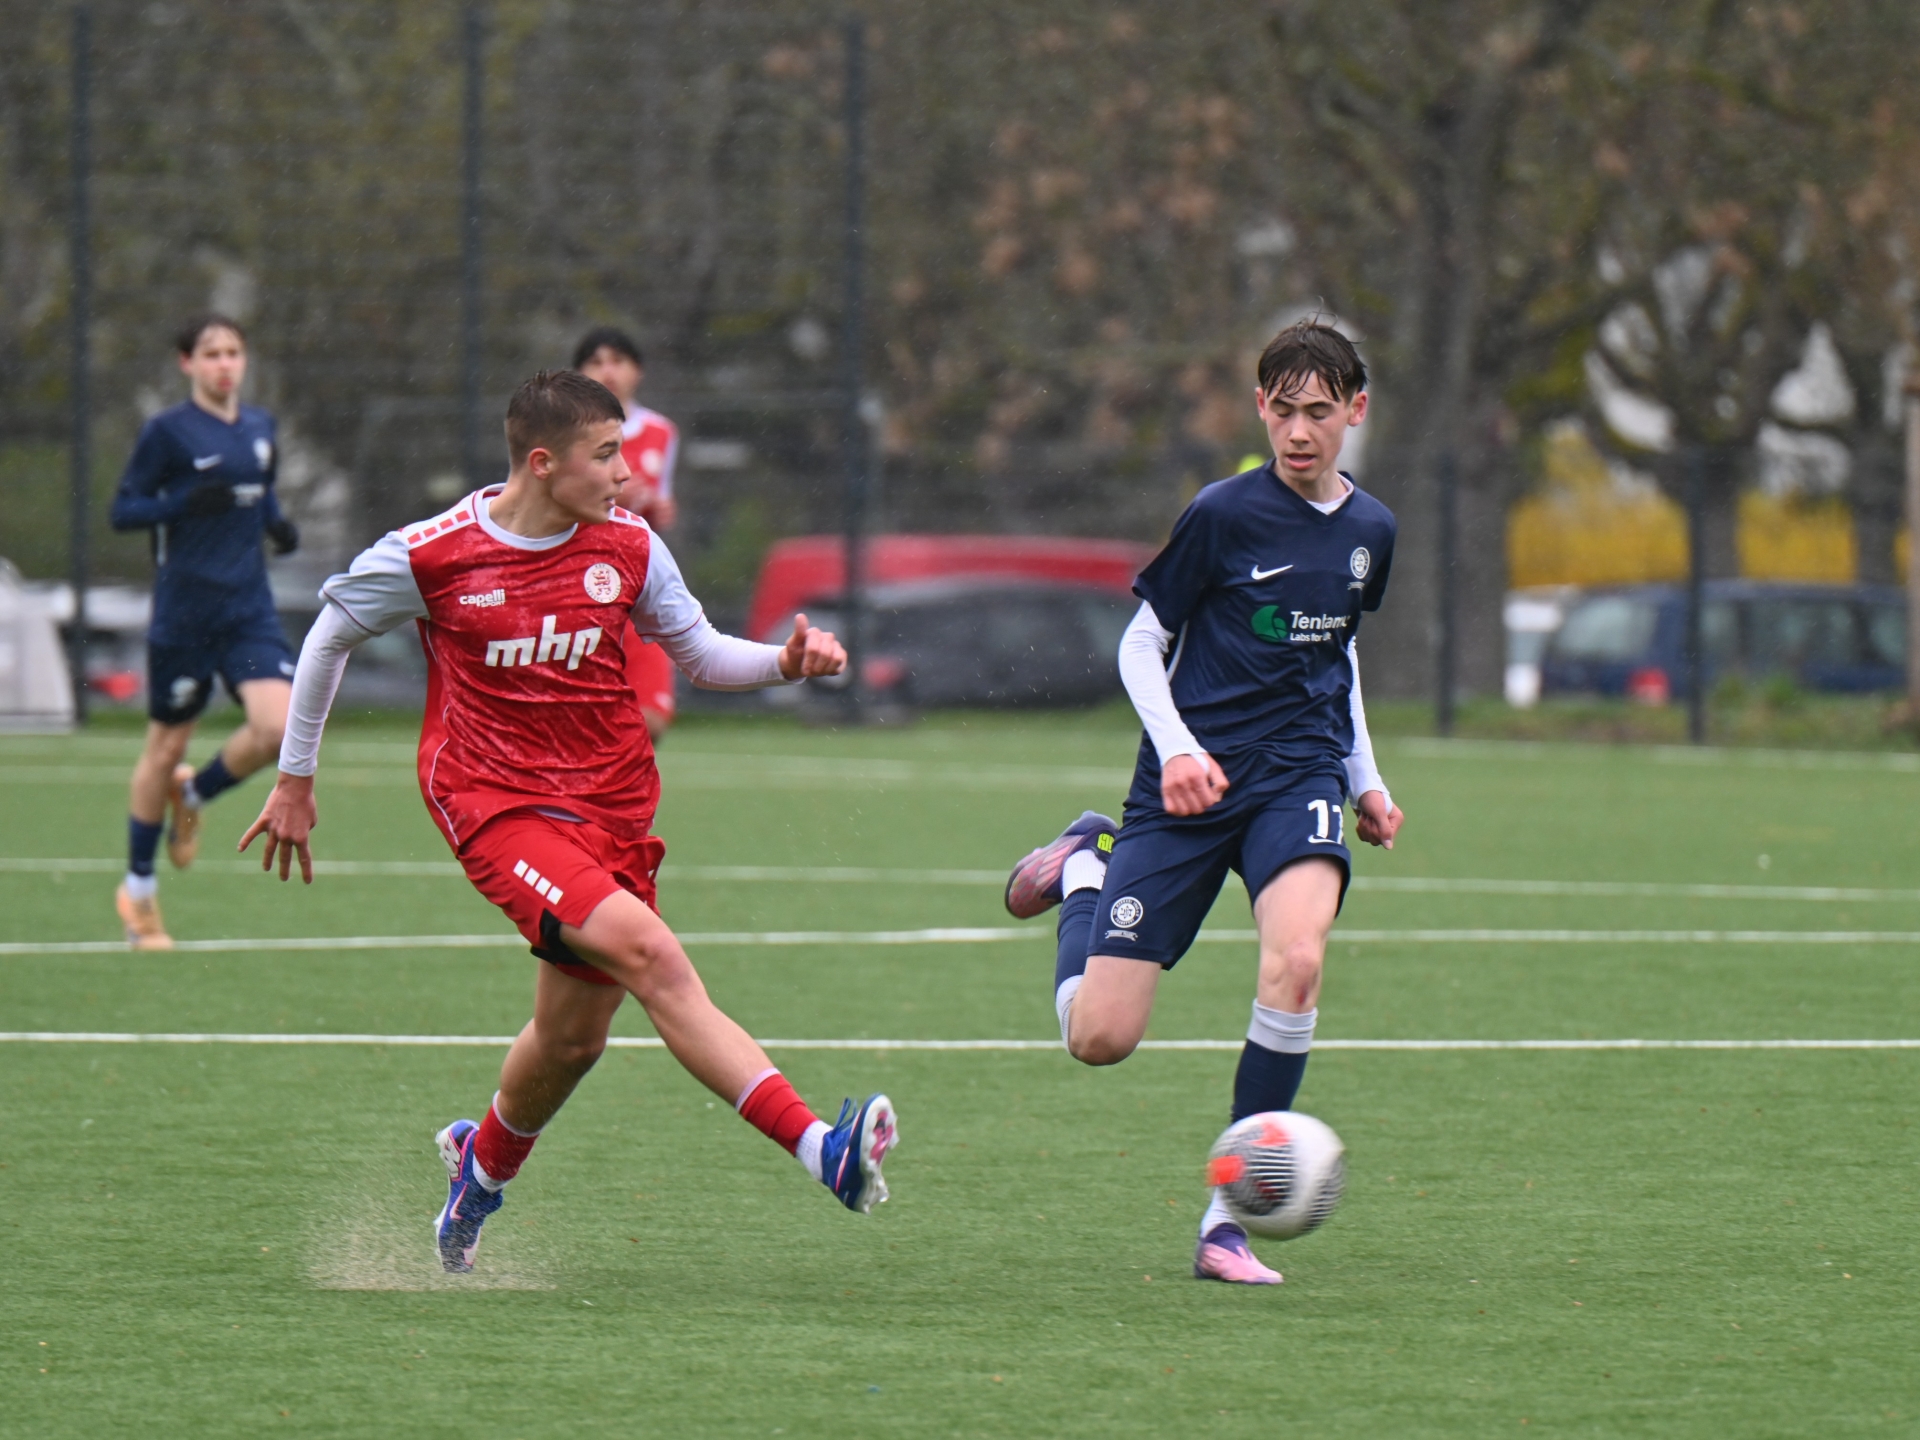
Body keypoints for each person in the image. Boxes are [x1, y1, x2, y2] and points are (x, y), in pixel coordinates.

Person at [240, 370, 896, 1273]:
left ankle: (477, 1175)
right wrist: (295, 777)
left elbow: (702, 655)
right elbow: (329, 634)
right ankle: (824, 1151)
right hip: (496, 807)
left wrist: (785, 662)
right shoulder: (434, 553)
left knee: (572, 1040)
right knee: (653, 955)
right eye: (606, 454)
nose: (626, 474)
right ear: (543, 463)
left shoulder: (630, 545)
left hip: (612, 808)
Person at [1002, 320, 1403, 1286]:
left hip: (1296, 775)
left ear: (1355, 411)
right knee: (1100, 1038)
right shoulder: (1222, 513)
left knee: (1297, 962)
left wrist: (1365, 778)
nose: (1299, 431)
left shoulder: (1372, 531)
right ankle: (1086, 871)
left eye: (1319, 412)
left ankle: (1227, 1221)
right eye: (1283, 410)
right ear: (1260, 407)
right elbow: (1142, 643)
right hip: (1185, 786)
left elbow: (1338, 653)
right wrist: (1179, 749)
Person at [107, 314, 300, 950]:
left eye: (233, 352)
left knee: (279, 729)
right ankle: (138, 892)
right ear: (186, 363)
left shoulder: (261, 426)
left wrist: (278, 525)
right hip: (185, 616)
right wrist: (181, 505)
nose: (224, 364)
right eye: (211, 353)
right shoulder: (167, 432)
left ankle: (193, 794)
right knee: (163, 747)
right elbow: (124, 511)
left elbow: (262, 494)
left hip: (248, 611)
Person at [573, 326, 682, 738]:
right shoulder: (565, 434)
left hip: (635, 583)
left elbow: (661, 506)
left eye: (618, 361)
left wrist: (658, 507)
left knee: (650, 718)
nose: (608, 372)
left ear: (638, 370)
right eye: (596, 362)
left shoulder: (661, 431)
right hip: (578, 581)